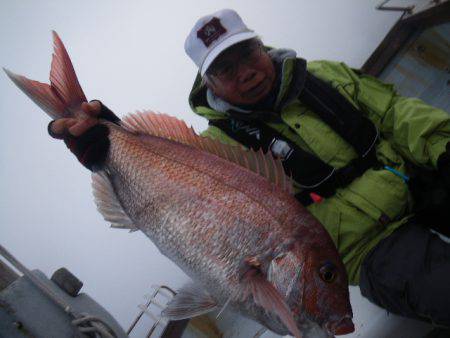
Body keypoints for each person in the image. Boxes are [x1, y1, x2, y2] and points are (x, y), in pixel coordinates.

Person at [48, 8, 450, 332]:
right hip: (367, 248)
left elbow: (398, 112)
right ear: (210, 84)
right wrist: (108, 147)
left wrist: (445, 149)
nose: (246, 72)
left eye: (247, 54)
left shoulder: (324, 76)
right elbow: (169, 189)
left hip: (419, 181)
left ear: (263, 47)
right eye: (225, 69)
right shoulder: (216, 148)